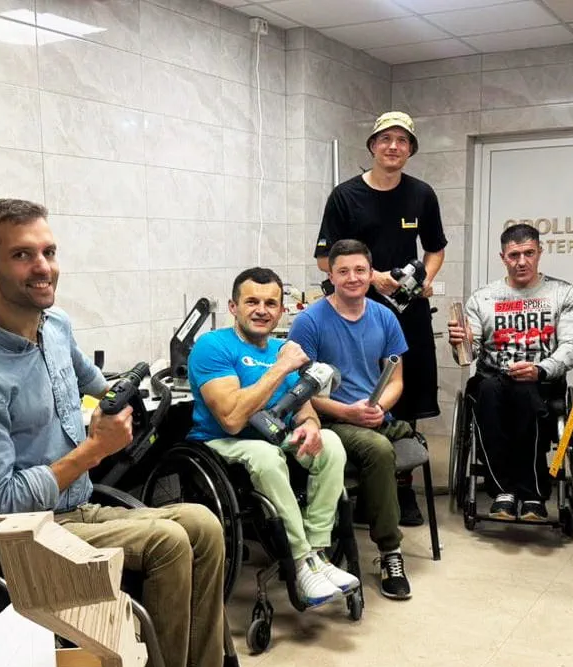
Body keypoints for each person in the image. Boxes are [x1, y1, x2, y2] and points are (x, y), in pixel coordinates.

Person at [0, 198, 279, 667]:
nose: (43, 266)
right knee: (170, 541)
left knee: (202, 522)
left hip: (81, 508)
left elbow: (94, 384)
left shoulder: (55, 327)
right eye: (22, 255)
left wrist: (124, 397)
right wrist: (93, 450)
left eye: (48, 251)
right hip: (28, 537)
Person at [186, 267, 359, 607]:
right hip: (221, 443)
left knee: (331, 444)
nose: (261, 310)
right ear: (233, 307)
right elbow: (232, 419)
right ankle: (300, 558)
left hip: (275, 438)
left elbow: (305, 407)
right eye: (252, 302)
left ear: (281, 311)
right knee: (265, 455)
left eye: (270, 303)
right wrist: (280, 368)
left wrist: (310, 425)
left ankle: (318, 553)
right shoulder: (212, 346)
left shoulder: (283, 348)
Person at [314, 110, 446, 527]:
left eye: (402, 140)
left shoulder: (422, 194)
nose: (393, 146)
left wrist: (424, 280)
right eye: (386, 139)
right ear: (372, 145)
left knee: (404, 394)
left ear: (410, 149)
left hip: (406, 311)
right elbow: (324, 259)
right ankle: (361, 482)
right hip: (352, 307)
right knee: (354, 386)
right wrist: (374, 278)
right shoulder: (345, 196)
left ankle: (401, 487)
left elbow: (436, 248)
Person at [290, 239, 416, 601]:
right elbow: (299, 391)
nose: (352, 277)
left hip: (372, 414)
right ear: (330, 276)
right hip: (330, 418)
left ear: (370, 273)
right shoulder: (309, 321)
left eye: (360, 270)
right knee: (379, 450)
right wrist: (347, 412)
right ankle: (391, 551)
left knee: (391, 436)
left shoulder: (384, 316)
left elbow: (396, 380)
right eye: (343, 271)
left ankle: (383, 542)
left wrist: (378, 408)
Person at [448, 223, 573, 522]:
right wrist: (460, 343)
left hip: (542, 383)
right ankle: (503, 492)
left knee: (525, 392)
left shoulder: (562, 293)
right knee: (487, 390)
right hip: (492, 380)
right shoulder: (483, 298)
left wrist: (540, 369)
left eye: (528, 253)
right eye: (514, 255)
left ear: (539, 253)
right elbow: (466, 357)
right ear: (503, 258)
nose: (521, 262)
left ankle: (532, 493)